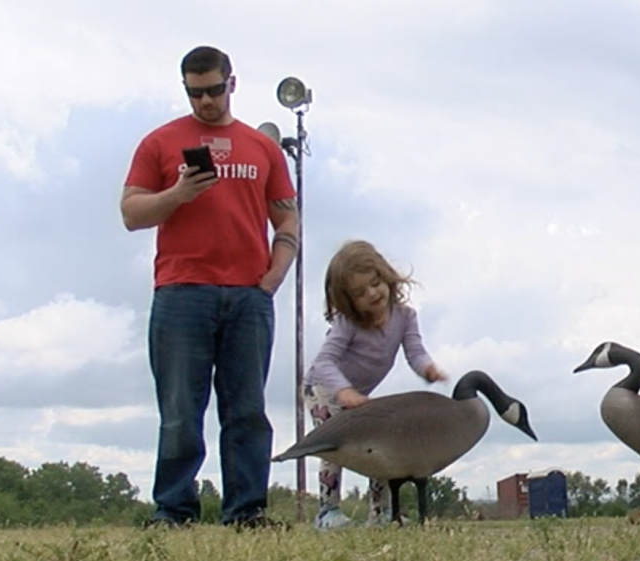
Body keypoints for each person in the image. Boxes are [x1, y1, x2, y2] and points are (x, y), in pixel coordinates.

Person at [121, 46, 298, 529]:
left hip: (248, 295)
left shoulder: (260, 147)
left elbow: (286, 214)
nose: (206, 102)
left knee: (246, 411)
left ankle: (247, 511)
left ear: (232, 84)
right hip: (182, 292)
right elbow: (131, 214)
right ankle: (173, 510)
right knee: (180, 410)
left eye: (214, 90)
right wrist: (177, 194)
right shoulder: (160, 143)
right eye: (195, 93)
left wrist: (274, 275)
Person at [305, 240, 447, 529]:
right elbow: (324, 362)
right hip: (323, 390)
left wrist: (427, 369)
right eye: (359, 292)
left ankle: (380, 513)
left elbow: (414, 351)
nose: (372, 293)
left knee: (378, 448)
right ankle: (327, 512)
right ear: (347, 301)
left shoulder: (405, 316)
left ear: (386, 276)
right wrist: (342, 390)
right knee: (334, 446)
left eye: (375, 283)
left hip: (359, 396)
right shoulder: (347, 323)